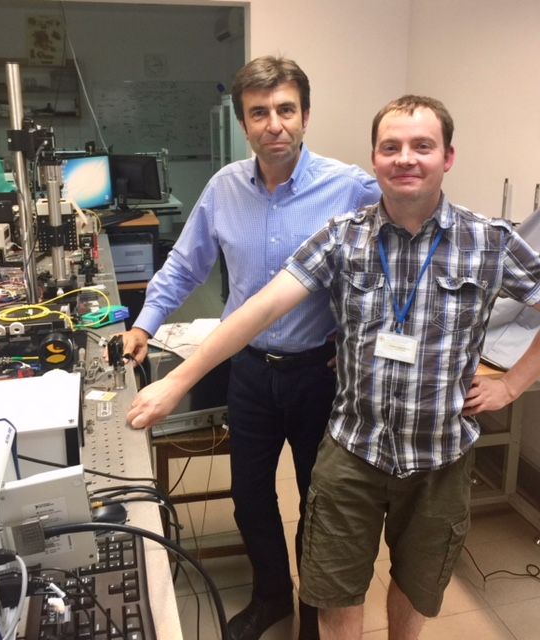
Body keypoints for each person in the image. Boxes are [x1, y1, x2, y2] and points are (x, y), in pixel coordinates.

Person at [127, 94, 540, 639]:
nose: (405, 158)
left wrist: (512, 385)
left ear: (448, 157)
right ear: (375, 159)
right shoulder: (343, 236)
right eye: (391, 147)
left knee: (416, 586)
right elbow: (261, 308)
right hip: (353, 452)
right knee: (334, 590)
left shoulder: (490, 241)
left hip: (439, 456)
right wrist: (178, 379)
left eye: (422, 146)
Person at [122, 55, 380, 639]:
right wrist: (144, 324)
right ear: (244, 123)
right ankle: (272, 597)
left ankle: (314, 610)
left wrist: (359, 337)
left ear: (306, 116)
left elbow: (393, 266)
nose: (274, 124)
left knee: (320, 502)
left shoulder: (351, 188)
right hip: (251, 373)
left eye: (286, 110)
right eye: (259, 113)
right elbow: (184, 266)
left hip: (321, 374)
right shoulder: (224, 188)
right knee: (250, 496)